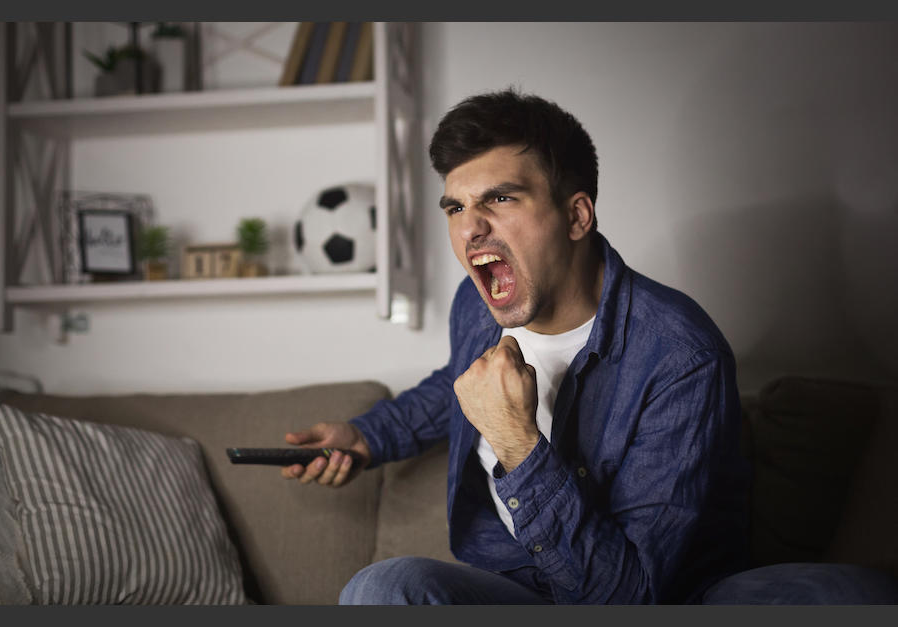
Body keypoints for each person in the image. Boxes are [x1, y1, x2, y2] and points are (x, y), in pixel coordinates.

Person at [281, 89, 744, 604]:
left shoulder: (682, 357)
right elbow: (457, 383)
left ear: (577, 216)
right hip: (516, 583)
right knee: (382, 588)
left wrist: (514, 441)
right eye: (456, 207)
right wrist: (367, 437)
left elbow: (628, 596)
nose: (470, 228)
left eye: (500, 199)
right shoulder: (477, 302)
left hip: (622, 592)